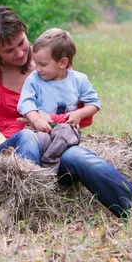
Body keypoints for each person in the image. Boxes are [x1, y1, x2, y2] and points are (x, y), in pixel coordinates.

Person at [0, 5, 132, 223]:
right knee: (28, 136)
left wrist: (46, 118)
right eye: (8, 51)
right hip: (11, 151)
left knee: (80, 157)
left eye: (21, 43)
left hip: (52, 148)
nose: (19, 53)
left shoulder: (52, 64)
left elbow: (83, 116)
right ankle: (30, 209)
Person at [18, 28, 100, 173]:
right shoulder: (34, 79)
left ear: (62, 63)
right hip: (41, 128)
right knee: (38, 139)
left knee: (67, 133)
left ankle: (49, 165)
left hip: (65, 129)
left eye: (42, 64)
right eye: (36, 63)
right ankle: (34, 174)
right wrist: (36, 119)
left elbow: (94, 104)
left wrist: (79, 114)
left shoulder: (79, 80)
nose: (37, 69)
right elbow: (26, 102)